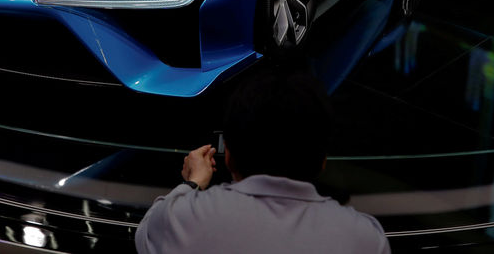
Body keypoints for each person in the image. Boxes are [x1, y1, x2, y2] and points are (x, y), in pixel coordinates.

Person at [135, 65, 390, 254]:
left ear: (230, 157)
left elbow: (146, 235)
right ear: (322, 161)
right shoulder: (365, 239)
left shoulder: (181, 219)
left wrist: (194, 183)